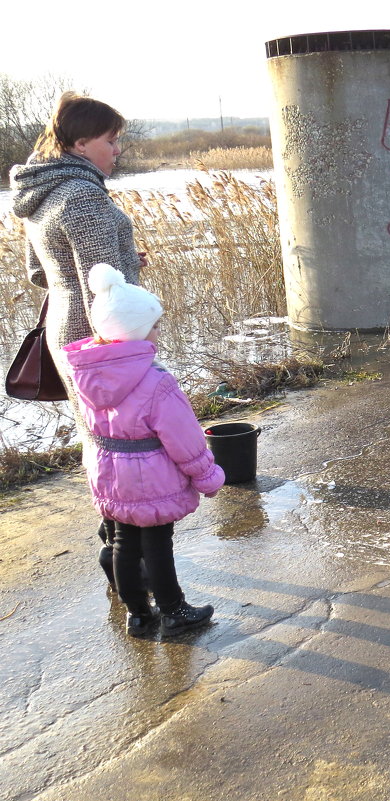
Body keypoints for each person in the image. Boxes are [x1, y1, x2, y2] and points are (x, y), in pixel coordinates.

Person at [8, 93, 147, 590]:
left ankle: (115, 549)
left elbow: (39, 273)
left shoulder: (40, 192)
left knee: (100, 441)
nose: (117, 150)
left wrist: (126, 264)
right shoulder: (84, 196)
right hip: (99, 335)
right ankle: (129, 561)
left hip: (63, 330)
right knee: (126, 447)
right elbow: (101, 292)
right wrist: (126, 344)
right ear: (82, 143)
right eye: (111, 141)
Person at [61, 264, 225, 637]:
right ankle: (173, 610)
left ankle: (137, 614)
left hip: (109, 470)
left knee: (122, 539)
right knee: (157, 542)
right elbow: (184, 438)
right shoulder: (156, 381)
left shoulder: (87, 373)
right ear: (135, 332)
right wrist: (208, 476)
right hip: (150, 473)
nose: (159, 330)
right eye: (154, 325)